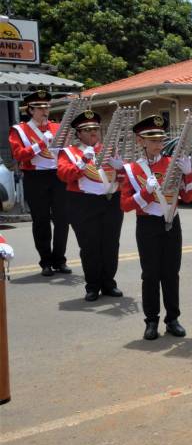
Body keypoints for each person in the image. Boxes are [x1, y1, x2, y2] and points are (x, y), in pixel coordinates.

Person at [120, 114, 192, 340]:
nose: (158, 144)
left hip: (172, 222)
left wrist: (188, 173)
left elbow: (188, 197)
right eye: (152, 140)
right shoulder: (132, 170)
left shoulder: (173, 163)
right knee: (150, 274)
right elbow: (124, 205)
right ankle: (151, 321)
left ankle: (173, 319)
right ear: (140, 141)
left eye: (161, 140)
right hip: (148, 225)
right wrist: (145, 191)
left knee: (172, 273)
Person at [56, 110, 125, 301]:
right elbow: (63, 175)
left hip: (111, 201)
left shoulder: (110, 150)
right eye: (88, 129)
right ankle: (93, 286)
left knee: (111, 244)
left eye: (95, 128)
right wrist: (82, 162)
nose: (94, 132)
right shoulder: (69, 152)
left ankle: (109, 283)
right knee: (90, 246)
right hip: (83, 203)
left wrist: (121, 168)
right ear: (79, 133)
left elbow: (122, 180)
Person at [8, 90, 71, 277]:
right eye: (41, 108)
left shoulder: (57, 127)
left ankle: (59, 259)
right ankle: (45, 261)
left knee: (62, 219)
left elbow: (66, 153)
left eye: (47, 107)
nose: (45, 111)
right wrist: (40, 144)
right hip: (35, 178)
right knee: (41, 220)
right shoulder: (19, 130)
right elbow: (18, 155)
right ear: (31, 109)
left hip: (57, 176)